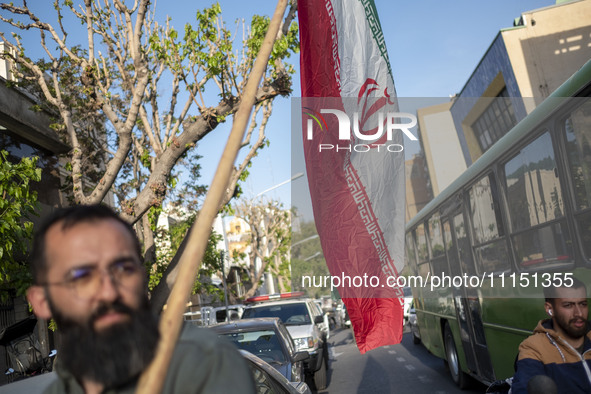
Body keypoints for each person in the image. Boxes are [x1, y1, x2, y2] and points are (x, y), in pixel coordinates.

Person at [26, 204, 255, 394]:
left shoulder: (204, 364)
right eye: (82, 276)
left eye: (124, 269)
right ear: (42, 301)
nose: (109, 292)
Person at [511, 277, 591, 394]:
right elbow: (524, 386)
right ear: (550, 309)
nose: (579, 313)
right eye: (568, 305)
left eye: (583, 304)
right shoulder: (534, 348)